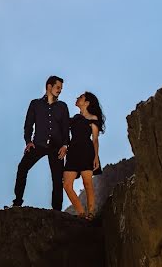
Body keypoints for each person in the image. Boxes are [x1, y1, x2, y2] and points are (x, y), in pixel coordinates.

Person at [8, 75, 70, 211]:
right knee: (22, 168)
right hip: (38, 144)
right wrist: (28, 141)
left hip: (57, 147)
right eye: (58, 87)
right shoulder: (35, 104)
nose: (60, 90)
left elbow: (66, 128)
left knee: (57, 179)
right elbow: (28, 125)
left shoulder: (62, 106)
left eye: (61, 88)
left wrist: (65, 145)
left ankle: (57, 211)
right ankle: (17, 202)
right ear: (49, 86)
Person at [63, 91, 105, 219]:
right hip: (72, 152)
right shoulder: (74, 118)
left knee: (87, 183)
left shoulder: (93, 119)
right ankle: (81, 212)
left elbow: (95, 140)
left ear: (87, 103)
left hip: (87, 151)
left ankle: (91, 213)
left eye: (81, 97)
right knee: (67, 185)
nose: (77, 98)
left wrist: (96, 157)